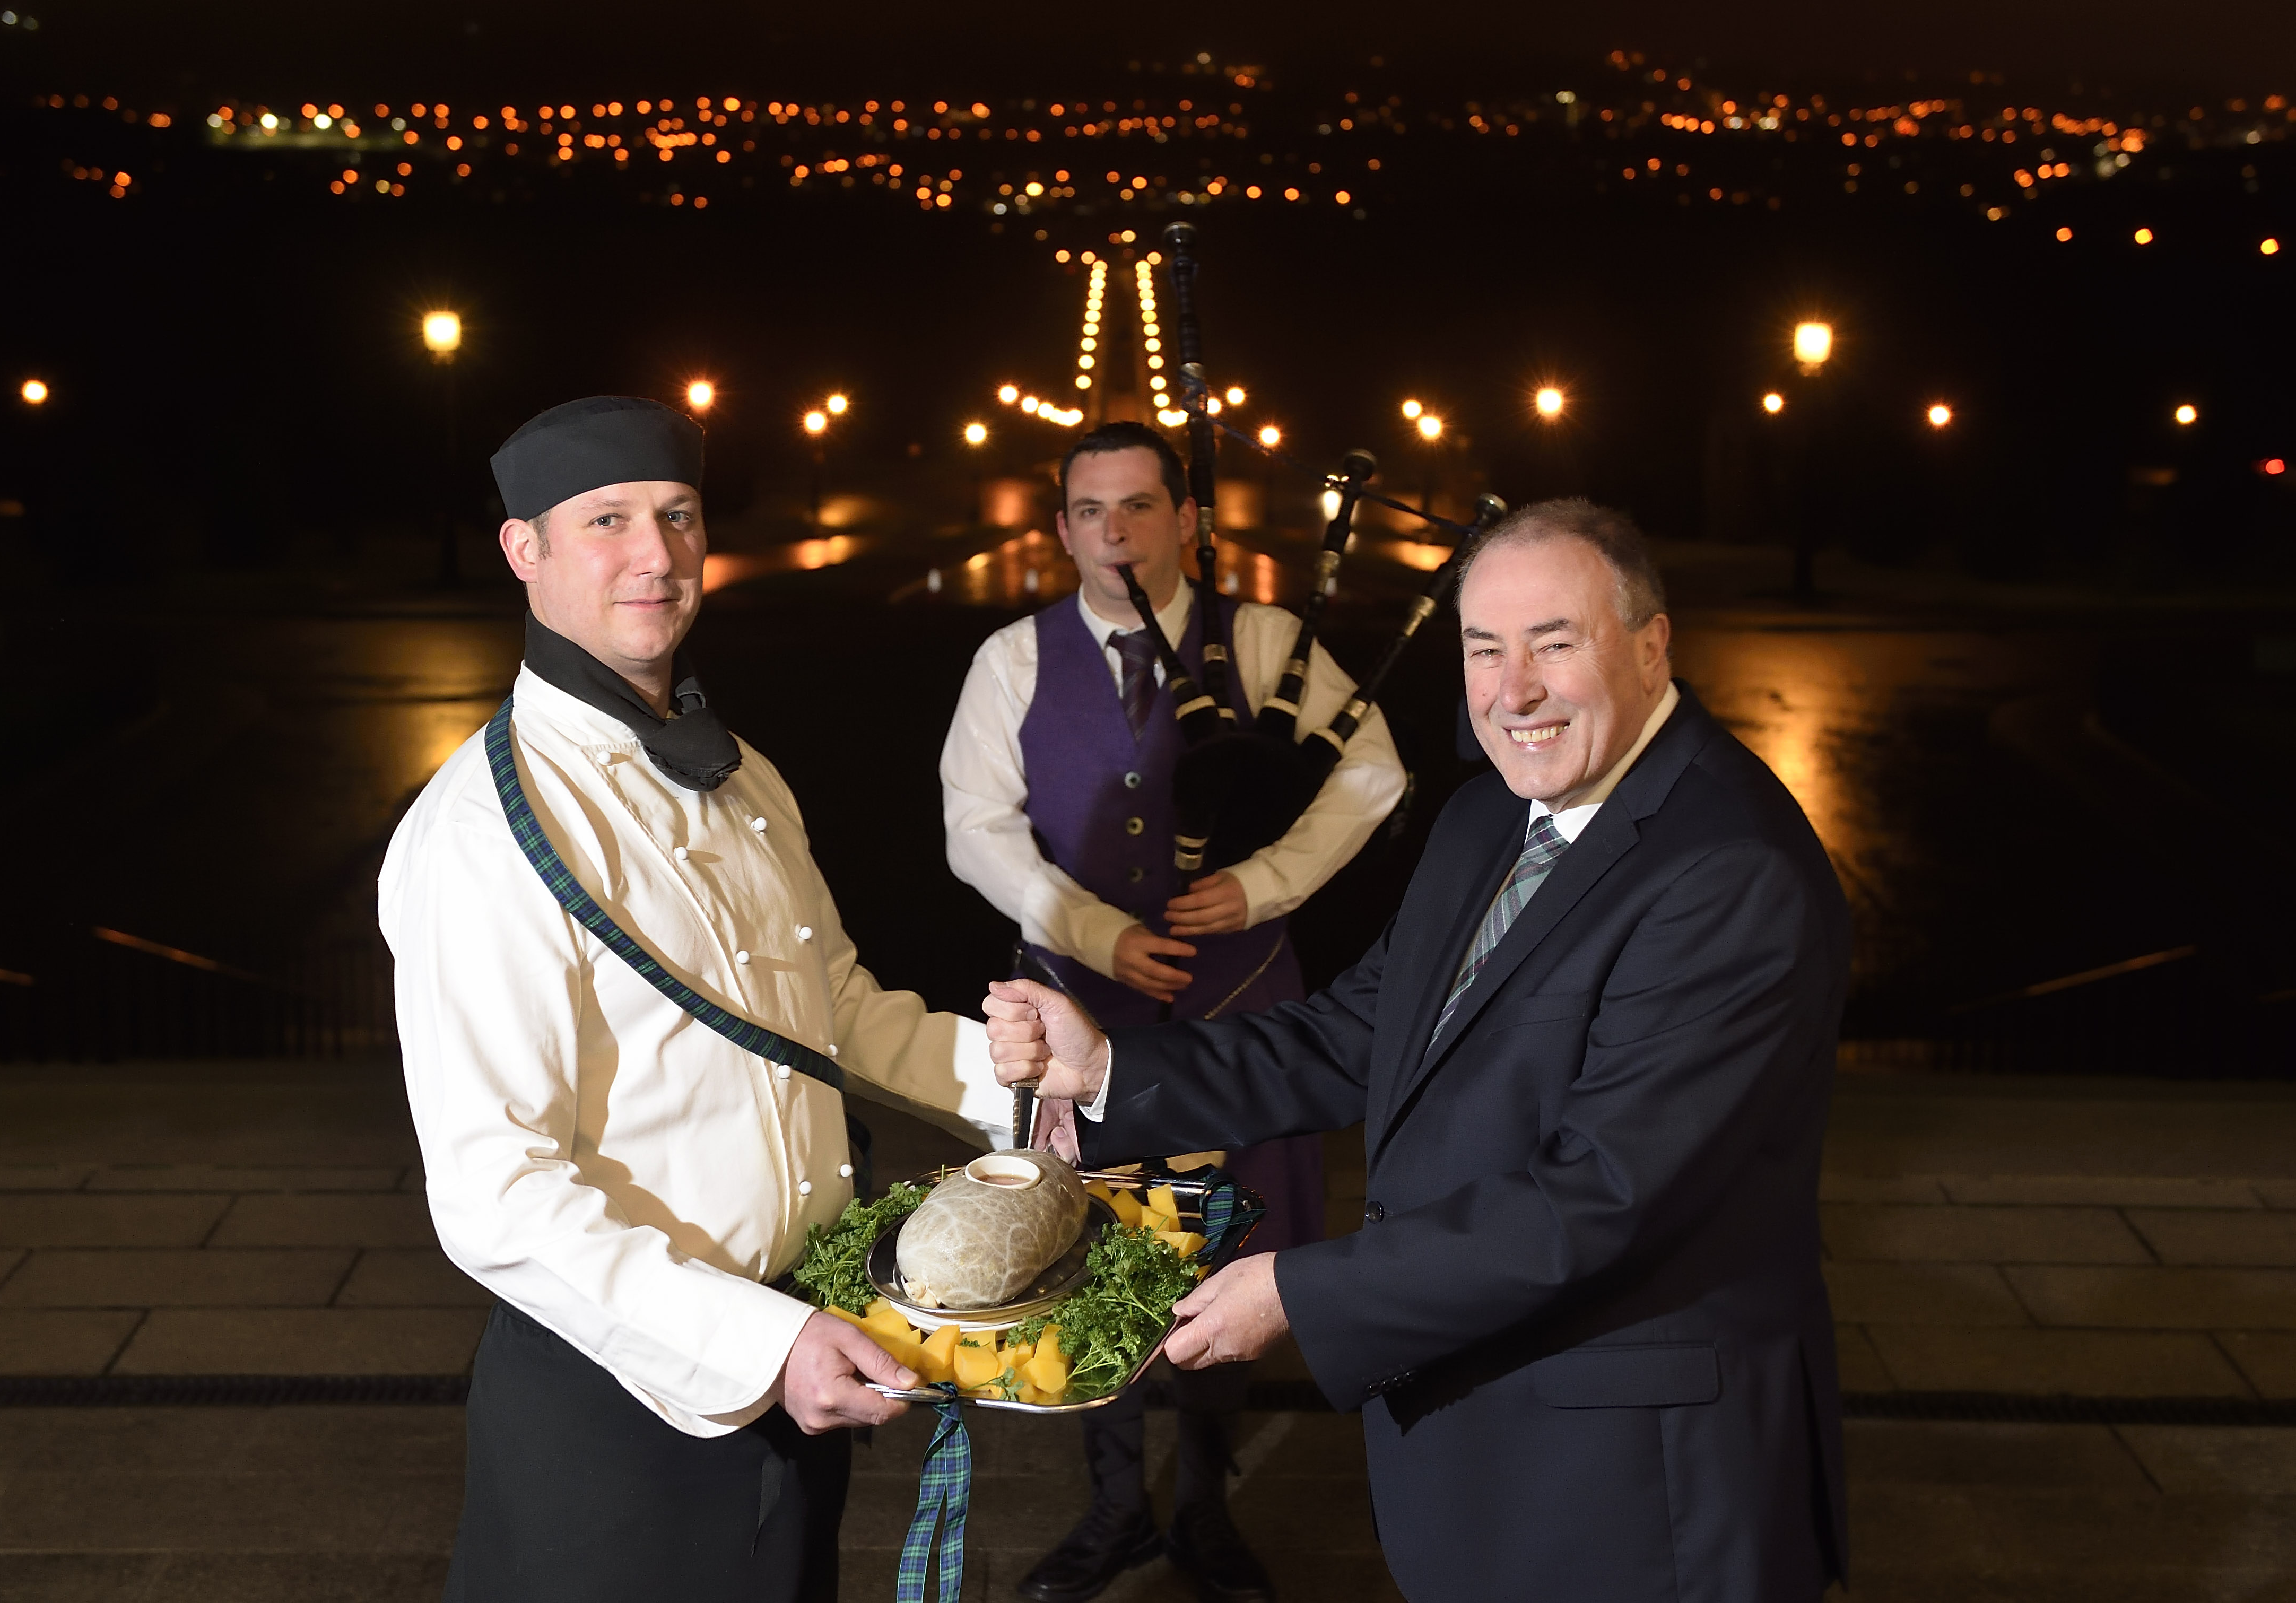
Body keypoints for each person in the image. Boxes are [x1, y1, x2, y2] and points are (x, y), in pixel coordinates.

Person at [985, 499, 1852, 1603]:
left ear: (1649, 644)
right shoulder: (1489, 816)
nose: (1510, 690)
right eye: (1482, 648)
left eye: (1553, 641)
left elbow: (1596, 1199)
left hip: (1638, 1491)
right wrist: (1106, 1066)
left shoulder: (1729, 869)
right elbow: (1357, 1030)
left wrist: (1302, 1290)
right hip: (1490, 1440)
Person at [379, 395, 1014, 1603]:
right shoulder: (477, 831)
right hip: (620, 1410)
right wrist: (760, 1344)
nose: (654, 554)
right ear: (526, 552)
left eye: (676, 515)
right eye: (606, 519)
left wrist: (1030, 1086)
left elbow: (833, 1009)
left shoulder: (740, 769)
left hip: (802, 1361)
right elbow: (493, 1193)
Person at [940, 421, 1405, 1603]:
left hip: (1246, 1009)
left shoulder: (1263, 639)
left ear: (1188, 520)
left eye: (1140, 506)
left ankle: (1199, 1503)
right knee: (1091, 1253)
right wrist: (1095, 930)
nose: (1114, 532)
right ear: (1059, 528)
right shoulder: (1013, 658)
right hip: (1076, 1011)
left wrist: (1267, 883)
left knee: (1231, 1251)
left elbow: (1373, 774)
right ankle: (1112, 1507)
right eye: (1090, 510)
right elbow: (974, 825)